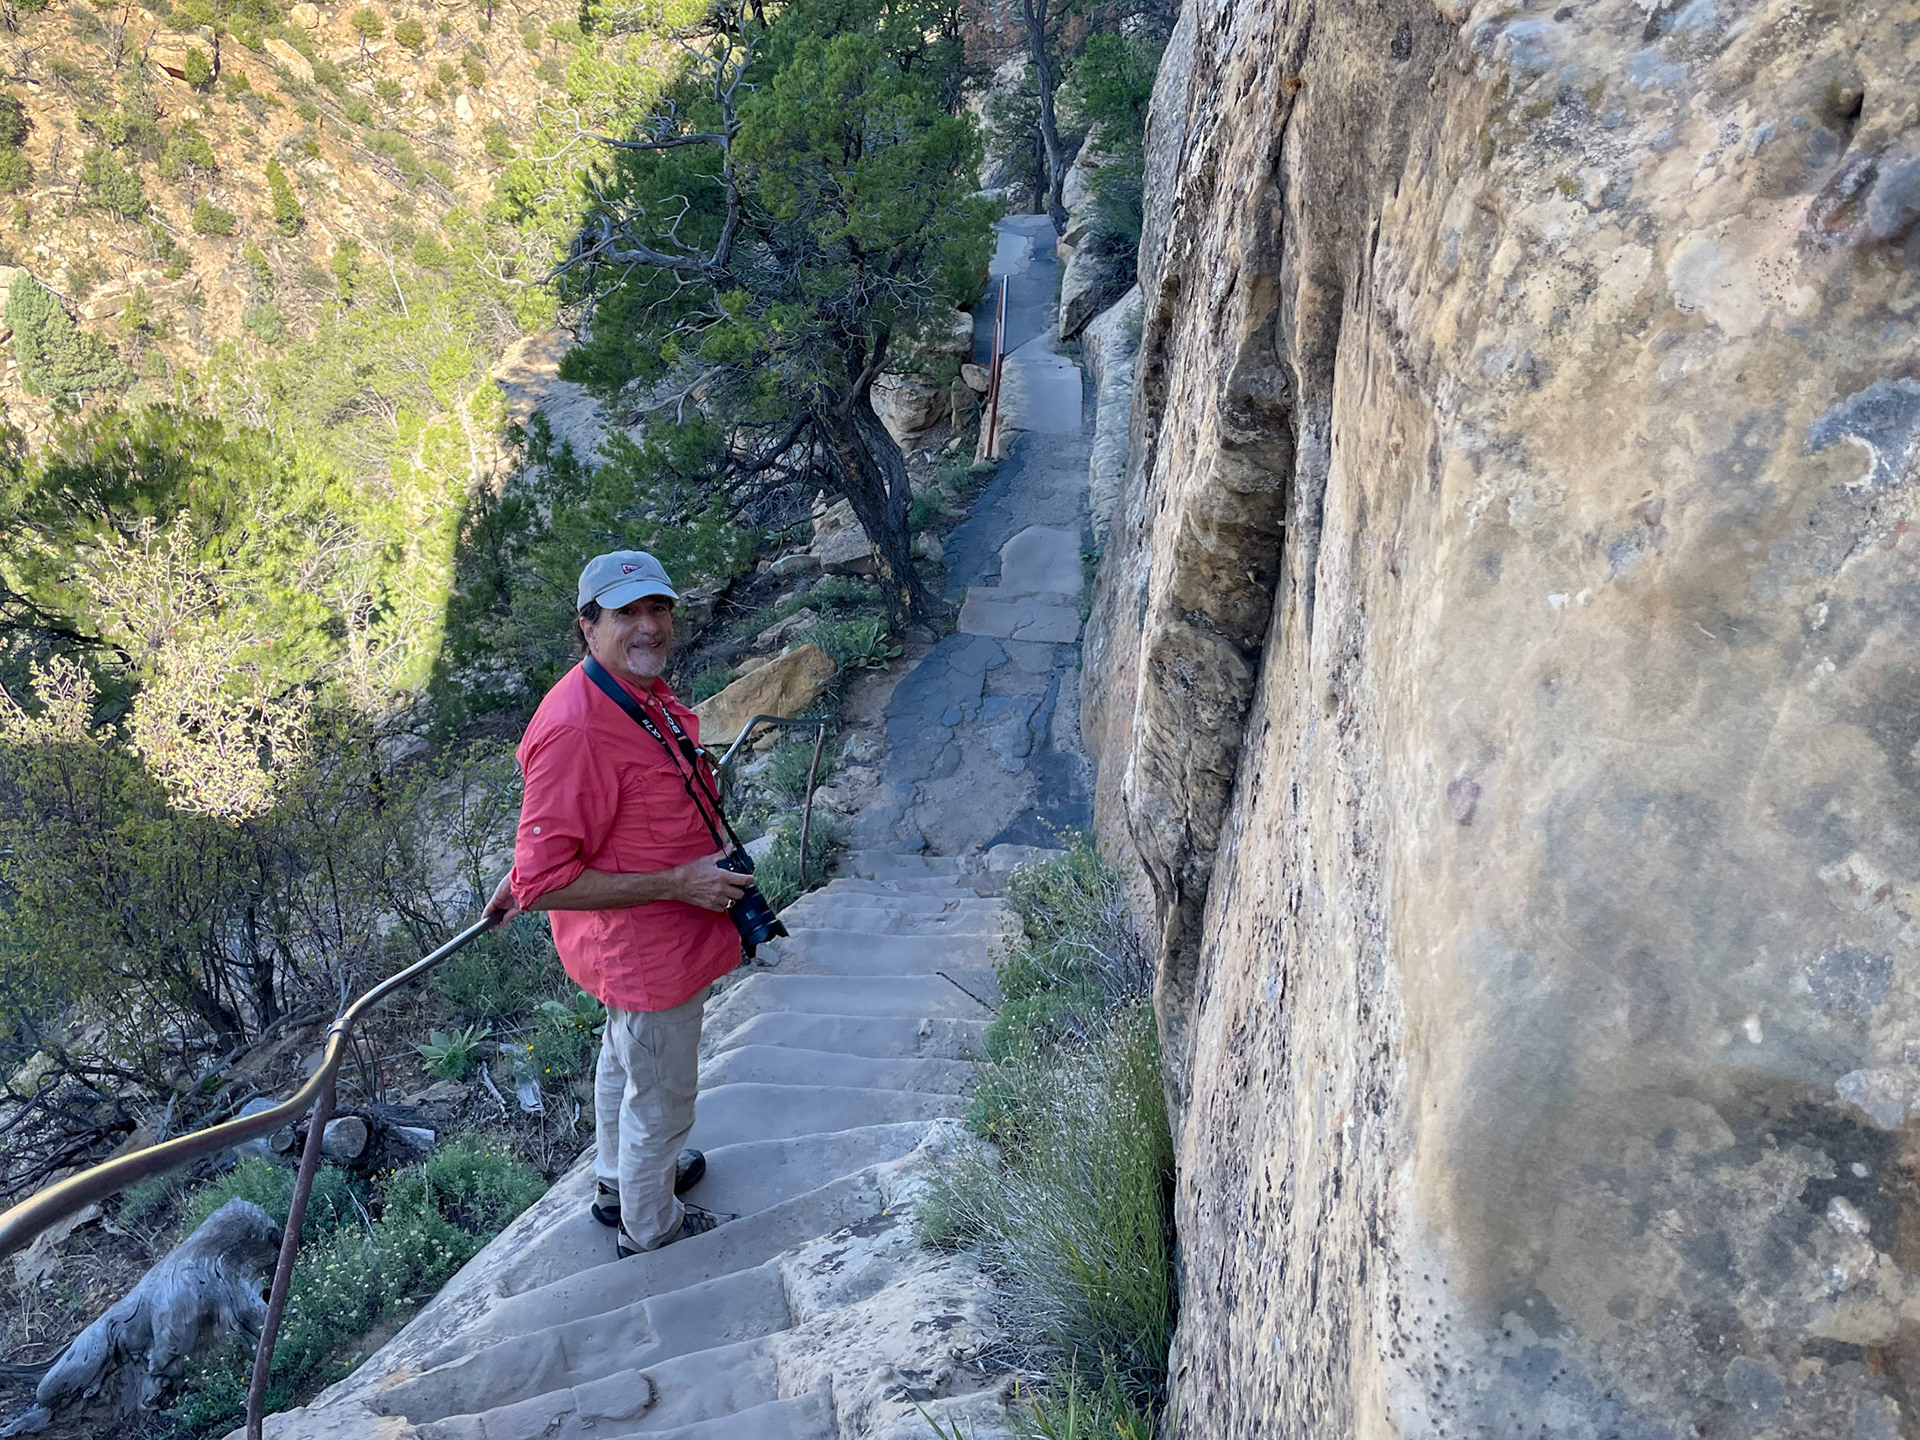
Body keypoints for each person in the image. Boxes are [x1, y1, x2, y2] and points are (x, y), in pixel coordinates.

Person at [485, 550, 749, 1256]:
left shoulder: (630, 693)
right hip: (648, 950)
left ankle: (616, 1182)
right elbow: (545, 882)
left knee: (624, 1058)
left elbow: (559, 841)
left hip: (656, 944)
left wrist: (521, 870)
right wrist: (679, 882)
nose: (648, 626)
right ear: (587, 625)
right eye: (626, 612)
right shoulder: (577, 725)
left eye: (657, 608)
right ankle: (650, 1224)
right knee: (662, 1097)